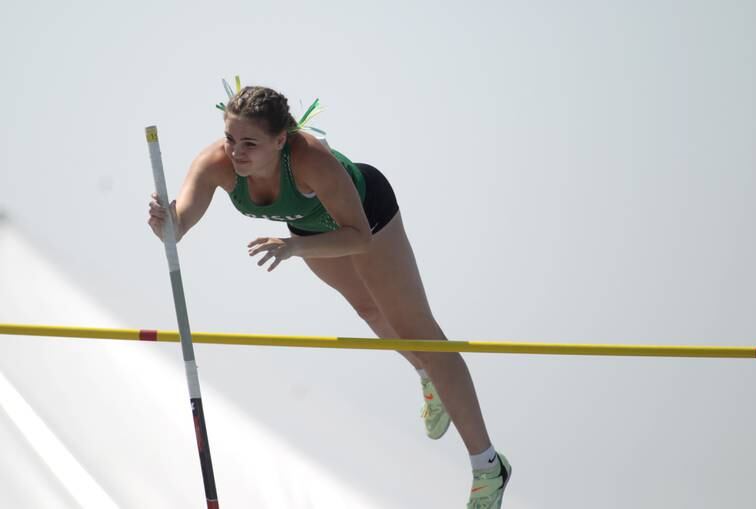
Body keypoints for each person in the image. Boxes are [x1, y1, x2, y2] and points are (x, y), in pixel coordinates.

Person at [147, 84, 511, 508]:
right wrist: (165, 224)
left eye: (250, 143)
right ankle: (430, 379)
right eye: (230, 139)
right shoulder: (214, 164)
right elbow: (179, 225)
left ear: (280, 140)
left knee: (419, 332)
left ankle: (488, 465)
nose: (236, 152)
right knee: (368, 309)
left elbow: (356, 237)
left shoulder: (310, 159)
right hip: (308, 227)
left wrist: (295, 248)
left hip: (364, 217)